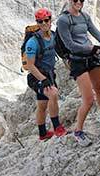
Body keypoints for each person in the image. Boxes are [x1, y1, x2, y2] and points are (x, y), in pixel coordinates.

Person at [57, 0, 100, 147]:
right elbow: (70, 45)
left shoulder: (84, 17)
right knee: (88, 99)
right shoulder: (63, 20)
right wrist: (91, 48)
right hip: (77, 62)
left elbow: (97, 34)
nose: (79, 3)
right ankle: (78, 131)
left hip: (91, 58)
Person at [25, 8, 67, 140]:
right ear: (37, 23)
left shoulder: (53, 36)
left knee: (42, 104)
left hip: (49, 75)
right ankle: (57, 127)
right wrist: (43, 80)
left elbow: (61, 52)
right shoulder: (32, 42)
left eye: (46, 20)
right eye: (40, 21)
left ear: (50, 20)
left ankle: (42, 133)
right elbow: (30, 65)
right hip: (36, 77)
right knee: (53, 94)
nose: (44, 23)